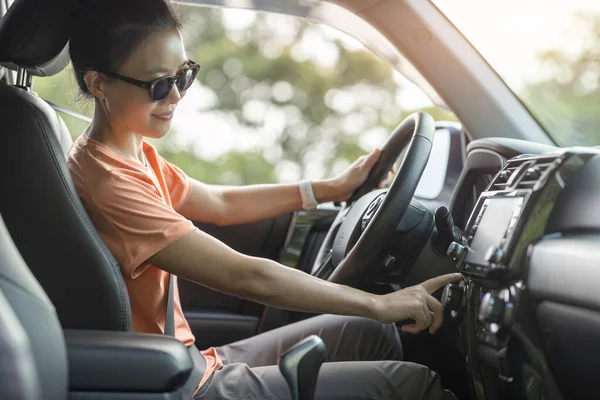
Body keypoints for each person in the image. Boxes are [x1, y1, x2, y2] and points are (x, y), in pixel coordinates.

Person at [66, 0, 461, 399]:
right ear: (98, 83)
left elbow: (220, 204)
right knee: (413, 384)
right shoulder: (111, 182)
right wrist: (378, 302)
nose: (175, 98)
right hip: (176, 385)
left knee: (368, 334)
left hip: (193, 362)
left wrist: (328, 189)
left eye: (184, 76)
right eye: (158, 86)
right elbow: (246, 276)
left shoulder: (132, 150)